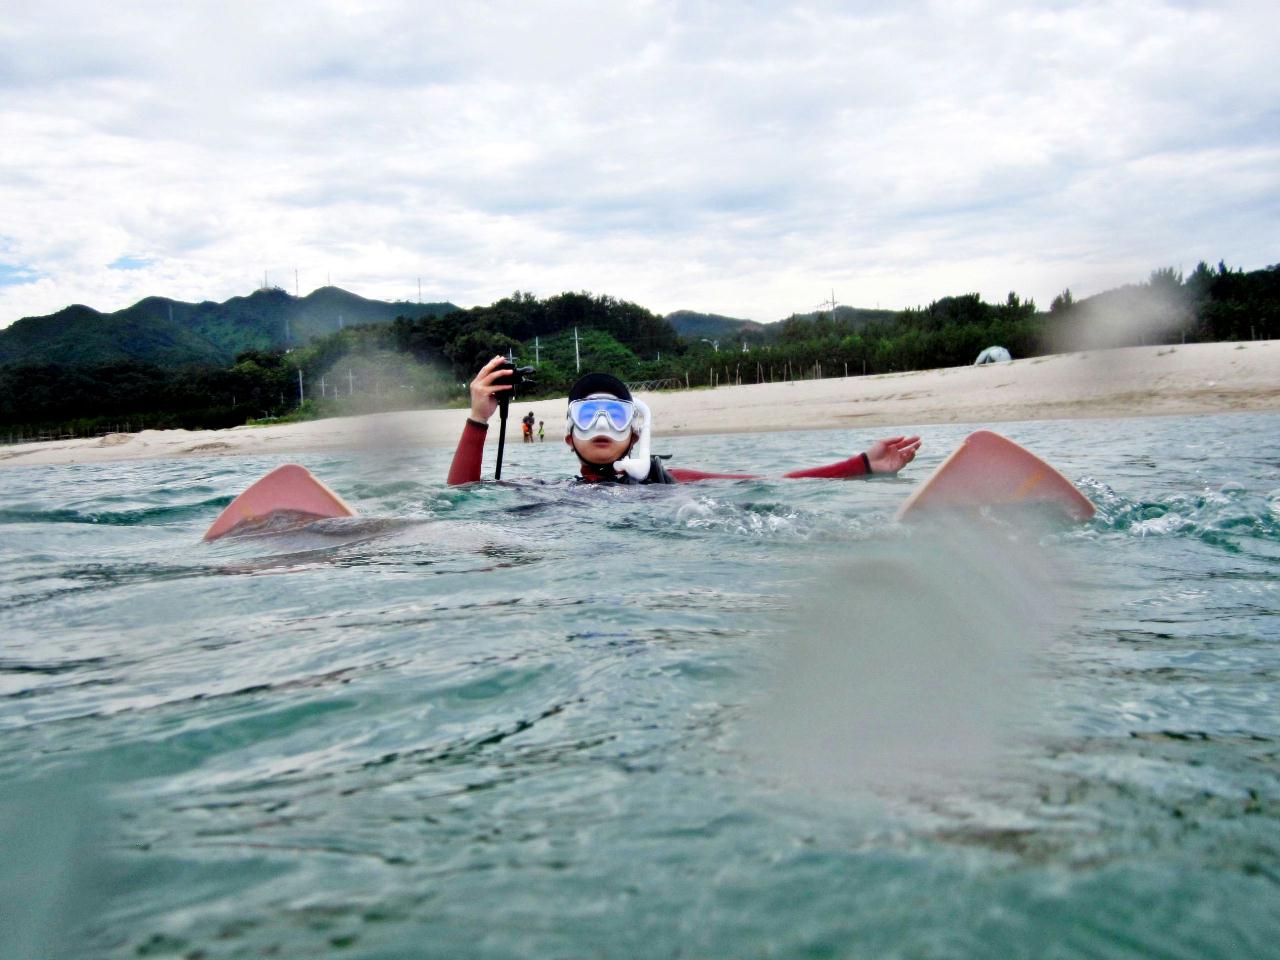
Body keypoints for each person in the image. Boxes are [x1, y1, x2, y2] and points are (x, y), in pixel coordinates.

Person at [447, 356, 920, 486]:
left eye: (615, 415)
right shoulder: (548, 494)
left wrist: (862, 464)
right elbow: (461, 501)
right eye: (588, 415)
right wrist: (478, 419)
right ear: (569, 437)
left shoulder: (668, 480)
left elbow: (764, 484)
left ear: (635, 430)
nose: (602, 425)